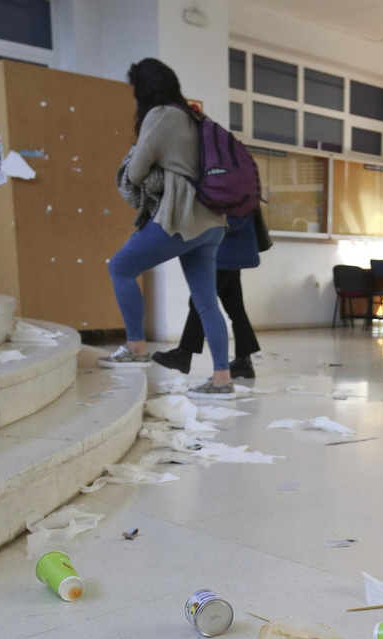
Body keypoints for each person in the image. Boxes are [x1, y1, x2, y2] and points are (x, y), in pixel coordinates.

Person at [101, 59, 232, 397]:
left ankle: (135, 347)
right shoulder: (193, 117)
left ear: (144, 89)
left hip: (181, 218)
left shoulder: (160, 116)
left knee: (120, 267)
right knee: (206, 302)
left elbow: (134, 172)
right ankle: (222, 378)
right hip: (212, 222)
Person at [152, 208, 268, 379]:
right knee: (235, 308)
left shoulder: (236, 184)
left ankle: (184, 354)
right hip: (230, 251)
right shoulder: (241, 183)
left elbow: (236, 218)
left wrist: (206, 228)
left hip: (225, 253)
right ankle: (244, 361)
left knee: (201, 300)